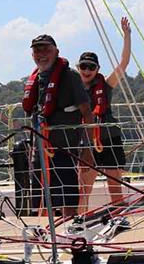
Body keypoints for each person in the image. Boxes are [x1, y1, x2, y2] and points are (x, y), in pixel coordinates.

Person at [22, 34, 93, 218]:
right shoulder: (36, 79)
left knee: (67, 198)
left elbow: (87, 112)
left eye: (46, 49)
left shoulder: (70, 77)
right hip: (40, 149)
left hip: (64, 149)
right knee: (42, 198)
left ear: (56, 52)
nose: (41, 54)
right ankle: (46, 237)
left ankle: (69, 233)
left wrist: (88, 149)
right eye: (37, 50)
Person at [76, 16, 132, 213]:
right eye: (84, 66)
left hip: (109, 138)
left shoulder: (106, 86)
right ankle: (79, 220)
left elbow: (123, 63)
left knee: (115, 185)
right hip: (87, 142)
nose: (87, 70)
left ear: (98, 69)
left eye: (91, 67)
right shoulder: (73, 90)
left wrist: (127, 35)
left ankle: (118, 214)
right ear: (78, 68)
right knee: (84, 187)